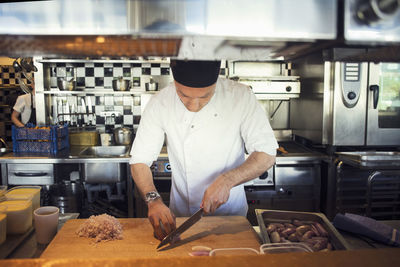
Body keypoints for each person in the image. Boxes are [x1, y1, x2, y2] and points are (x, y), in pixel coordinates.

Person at [130, 60, 278, 240]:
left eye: (205, 96)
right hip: (182, 218)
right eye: (183, 95)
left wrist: (227, 180)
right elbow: (139, 159)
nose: (194, 105)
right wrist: (153, 200)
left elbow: (267, 153)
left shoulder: (240, 96)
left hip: (231, 219)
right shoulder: (160, 102)